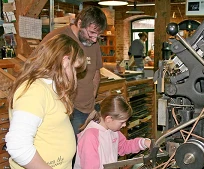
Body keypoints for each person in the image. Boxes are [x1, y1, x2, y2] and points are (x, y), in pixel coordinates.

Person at [5, 34, 87, 169]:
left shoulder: (51, 86)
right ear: (65, 61)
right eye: (75, 69)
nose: (75, 75)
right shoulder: (34, 90)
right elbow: (18, 145)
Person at [40, 6, 107, 140]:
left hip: (87, 109)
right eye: (91, 33)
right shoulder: (57, 38)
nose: (94, 39)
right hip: (66, 111)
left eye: (98, 35)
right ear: (80, 23)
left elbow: (95, 73)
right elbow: (39, 70)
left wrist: (92, 99)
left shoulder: (93, 44)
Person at [74, 94, 151, 169]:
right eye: (122, 122)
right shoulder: (90, 137)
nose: (124, 125)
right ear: (109, 119)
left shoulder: (113, 130)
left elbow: (123, 146)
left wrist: (144, 142)